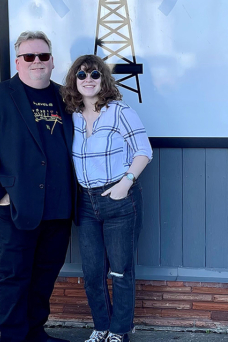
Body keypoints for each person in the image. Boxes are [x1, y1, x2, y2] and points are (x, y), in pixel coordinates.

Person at [0, 31, 74, 342]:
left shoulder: (66, 97)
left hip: (59, 206)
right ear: (18, 62)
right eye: (29, 56)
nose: (37, 61)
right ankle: (13, 336)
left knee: (45, 274)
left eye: (43, 56)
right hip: (16, 206)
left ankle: (35, 332)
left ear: (52, 61)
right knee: (14, 275)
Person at [61, 55, 152, 342]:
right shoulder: (72, 115)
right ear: (74, 81)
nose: (88, 79)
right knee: (92, 272)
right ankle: (101, 326)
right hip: (86, 203)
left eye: (94, 74)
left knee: (121, 270)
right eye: (81, 75)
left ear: (104, 79)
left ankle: (119, 330)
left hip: (119, 200)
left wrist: (126, 183)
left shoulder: (120, 111)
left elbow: (143, 151)